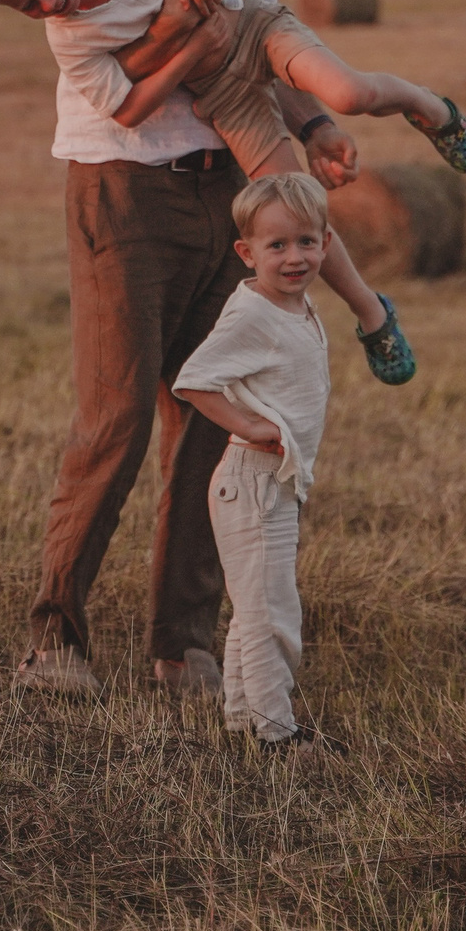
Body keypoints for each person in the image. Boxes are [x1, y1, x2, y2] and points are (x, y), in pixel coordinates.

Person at [11, 0, 369, 699]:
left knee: (212, 414)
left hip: (237, 189)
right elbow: (121, 81)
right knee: (116, 418)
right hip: (121, 187)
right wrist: (183, 24)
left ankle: (182, 643)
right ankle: (54, 634)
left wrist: (316, 124)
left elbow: (256, 37)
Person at [0, 0, 466, 381]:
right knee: (298, 212)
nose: (45, 5)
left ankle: (429, 106)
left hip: (253, 27)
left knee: (348, 95)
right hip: (220, 97)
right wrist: (191, 55)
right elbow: (128, 109)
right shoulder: (68, 40)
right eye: (25, 7)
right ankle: (371, 313)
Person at [171, 172, 348, 748]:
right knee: (272, 617)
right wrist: (249, 424)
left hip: (275, 484)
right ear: (247, 252)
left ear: (326, 240)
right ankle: (277, 736)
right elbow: (195, 381)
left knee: (255, 609)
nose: (295, 257)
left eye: (306, 241)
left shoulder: (296, 305)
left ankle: (246, 722)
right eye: (277, 246)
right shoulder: (253, 314)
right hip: (249, 482)